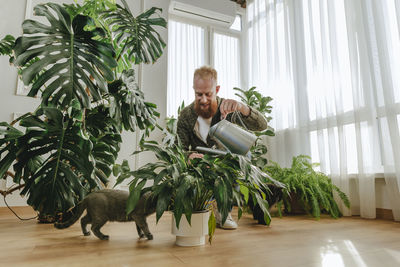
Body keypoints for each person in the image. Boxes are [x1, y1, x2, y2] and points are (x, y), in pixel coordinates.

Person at [176, 66, 268, 229]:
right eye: (199, 94)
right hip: (201, 166)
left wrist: (242, 108)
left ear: (216, 89)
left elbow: (261, 126)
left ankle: (223, 210)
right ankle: (202, 206)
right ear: (194, 90)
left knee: (243, 157)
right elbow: (178, 149)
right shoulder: (186, 115)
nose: (203, 99)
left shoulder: (228, 108)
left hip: (226, 165)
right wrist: (189, 155)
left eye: (208, 94)